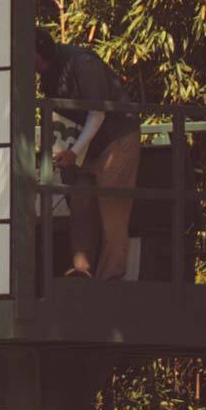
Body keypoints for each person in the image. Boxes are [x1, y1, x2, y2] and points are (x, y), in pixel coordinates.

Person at [34, 29, 142, 280]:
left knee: (112, 213)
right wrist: (62, 153)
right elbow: (59, 117)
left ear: (40, 53)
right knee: (80, 206)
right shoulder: (48, 74)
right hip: (84, 148)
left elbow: (97, 113)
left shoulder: (83, 64)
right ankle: (81, 270)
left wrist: (73, 151)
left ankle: (110, 278)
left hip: (115, 140)